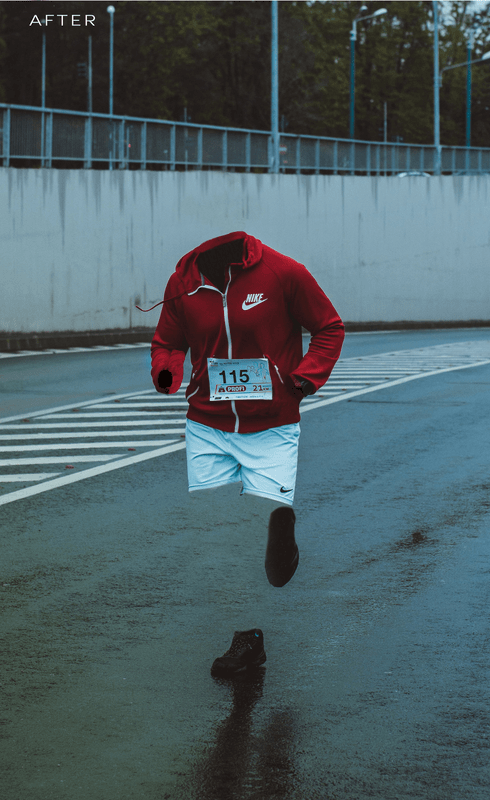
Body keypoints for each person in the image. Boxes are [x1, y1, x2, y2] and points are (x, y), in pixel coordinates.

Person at [140, 231, 344, 677]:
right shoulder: (184, 283)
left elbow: (329, 328)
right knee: (220, 538)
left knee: (271, 559)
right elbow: (168, 342)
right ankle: (247, 640)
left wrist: (304, 379)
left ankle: (280, 529)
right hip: (207, 424)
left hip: (271, 423)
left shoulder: (284, 273)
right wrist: (166, 371)